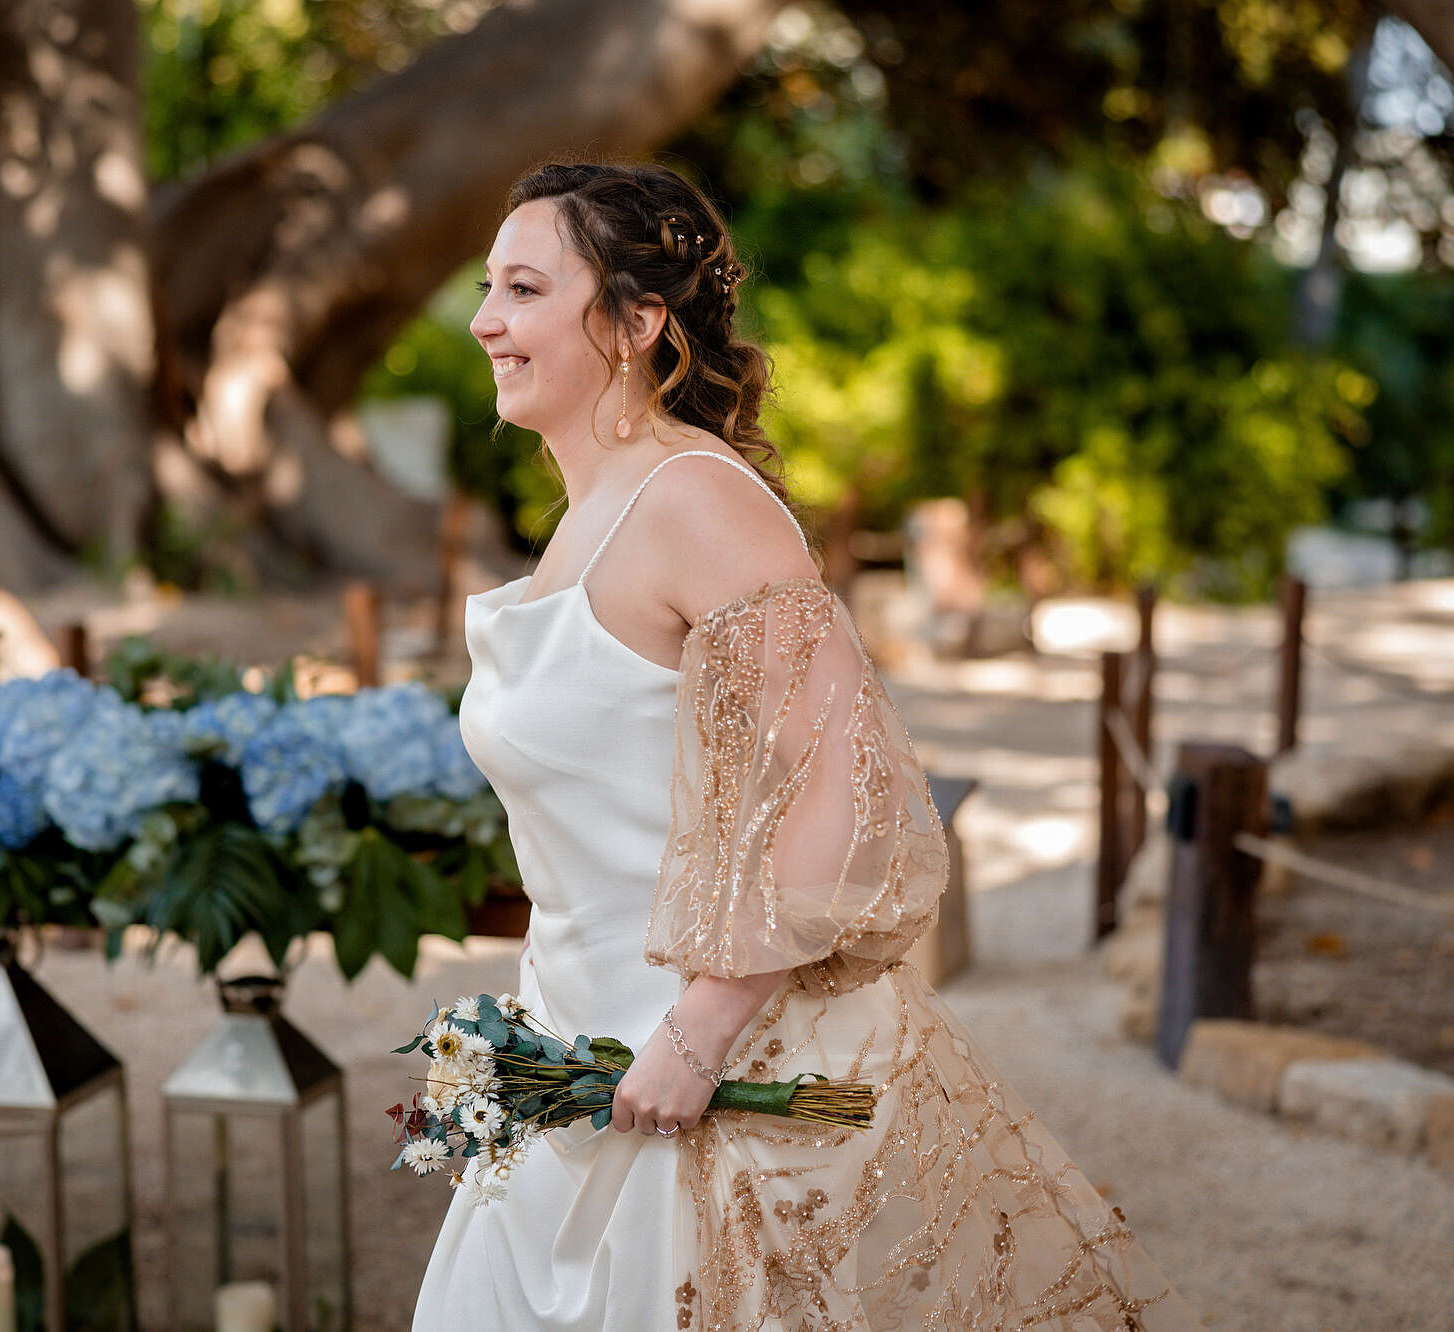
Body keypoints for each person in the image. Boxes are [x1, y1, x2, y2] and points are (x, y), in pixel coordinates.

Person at [414, 162, 1200, 1330]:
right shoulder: (584, 516)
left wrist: (697, 1033)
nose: (485, 320)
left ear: (636, 321)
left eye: (523, 289)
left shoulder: (694, 501)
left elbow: (843, 788)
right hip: (568, 1038)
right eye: (488, 287)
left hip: (696, 1053)